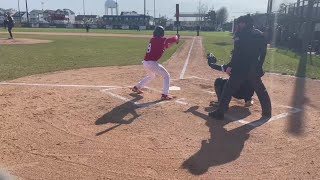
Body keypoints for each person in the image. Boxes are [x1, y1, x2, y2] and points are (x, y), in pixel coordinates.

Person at [208, 14, 272, 120]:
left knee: (228, 89)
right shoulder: (260, 34)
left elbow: (237, 53)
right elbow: (263, 53)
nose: (239, 25)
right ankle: (267, 112)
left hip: (241, 67)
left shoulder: (241, 34)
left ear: (245, 23)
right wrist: (259, 66)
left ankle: (220, 112)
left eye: (240, 23)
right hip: (253, 67)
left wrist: (231, 65)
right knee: (261, 90)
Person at [132, 26, 180, 100]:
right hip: (152, 63)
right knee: (166, 76)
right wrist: (177, 37)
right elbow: (172, 39)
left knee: (151, 76)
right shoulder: (162, 40)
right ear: (161, 33)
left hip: (145, 62)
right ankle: (164, 94)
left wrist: (175, 41)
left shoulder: (153, 40)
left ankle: (137, 87)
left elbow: (166, 46)